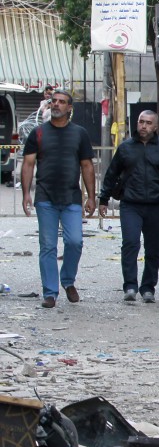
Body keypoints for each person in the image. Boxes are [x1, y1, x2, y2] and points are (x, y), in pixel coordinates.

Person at [20, 89, 96, 308]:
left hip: (71, 196)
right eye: (53, 101)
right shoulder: (38, 133)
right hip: (45, 196)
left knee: (75, 241)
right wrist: (26, 193)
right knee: (48, 246)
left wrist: (91, 197)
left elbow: (87, 166)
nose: (56, 105)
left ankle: (68, 280)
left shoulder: (80, 133)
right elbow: (28, 164)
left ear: (69, 108)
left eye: (62, 102)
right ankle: (50, 292)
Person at [98, 110, 159, 303]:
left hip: (156, 205)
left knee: (154, 248)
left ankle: (148, 287)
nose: (144, 126)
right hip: (130, 204)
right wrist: (103, 199)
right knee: (130, 244)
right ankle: (130, 286)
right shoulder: (125, 148)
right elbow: (111, 174)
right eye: (141, 122)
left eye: (148, 123)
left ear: (155, 127)